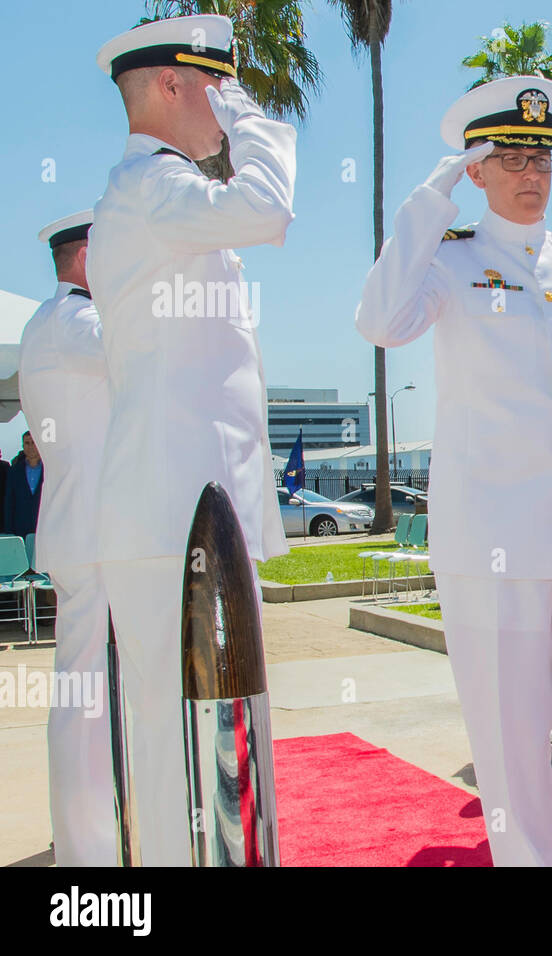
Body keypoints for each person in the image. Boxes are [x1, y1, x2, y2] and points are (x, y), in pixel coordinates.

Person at [355, 76, 552, 866]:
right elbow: (380, 322)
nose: (531, 173)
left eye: (543, 158)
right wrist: (430, 200)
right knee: (510, 731)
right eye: (511, 157)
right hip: (493, 531)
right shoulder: (448, 261)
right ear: (478, 171)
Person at [87, 13, 296, 866]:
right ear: (170, 83)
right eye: (217, 84)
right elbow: (270, 206)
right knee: (183, 748)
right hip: (173, 513)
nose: (226, 104)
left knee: (200, 737)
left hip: (182, 511)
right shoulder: (151, 187)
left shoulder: (157, 191)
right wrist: (257, 121)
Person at [18, 210, 116, 866]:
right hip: (97, 532)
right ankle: (88, 853)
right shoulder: (78, 325)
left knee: (90, 693)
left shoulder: (46, 323)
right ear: (87, 258)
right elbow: (152, 358)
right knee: (87, 699)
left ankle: (88, 838)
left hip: (85, 528)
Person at [5, 432, 45, 538]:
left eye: (34, 443)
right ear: (23, 446)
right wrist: (9, 531)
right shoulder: (14, 471)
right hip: (20, 529)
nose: (31, 446)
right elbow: (9, 502)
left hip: (44, 527)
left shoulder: (49, 470)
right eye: (27, 443)